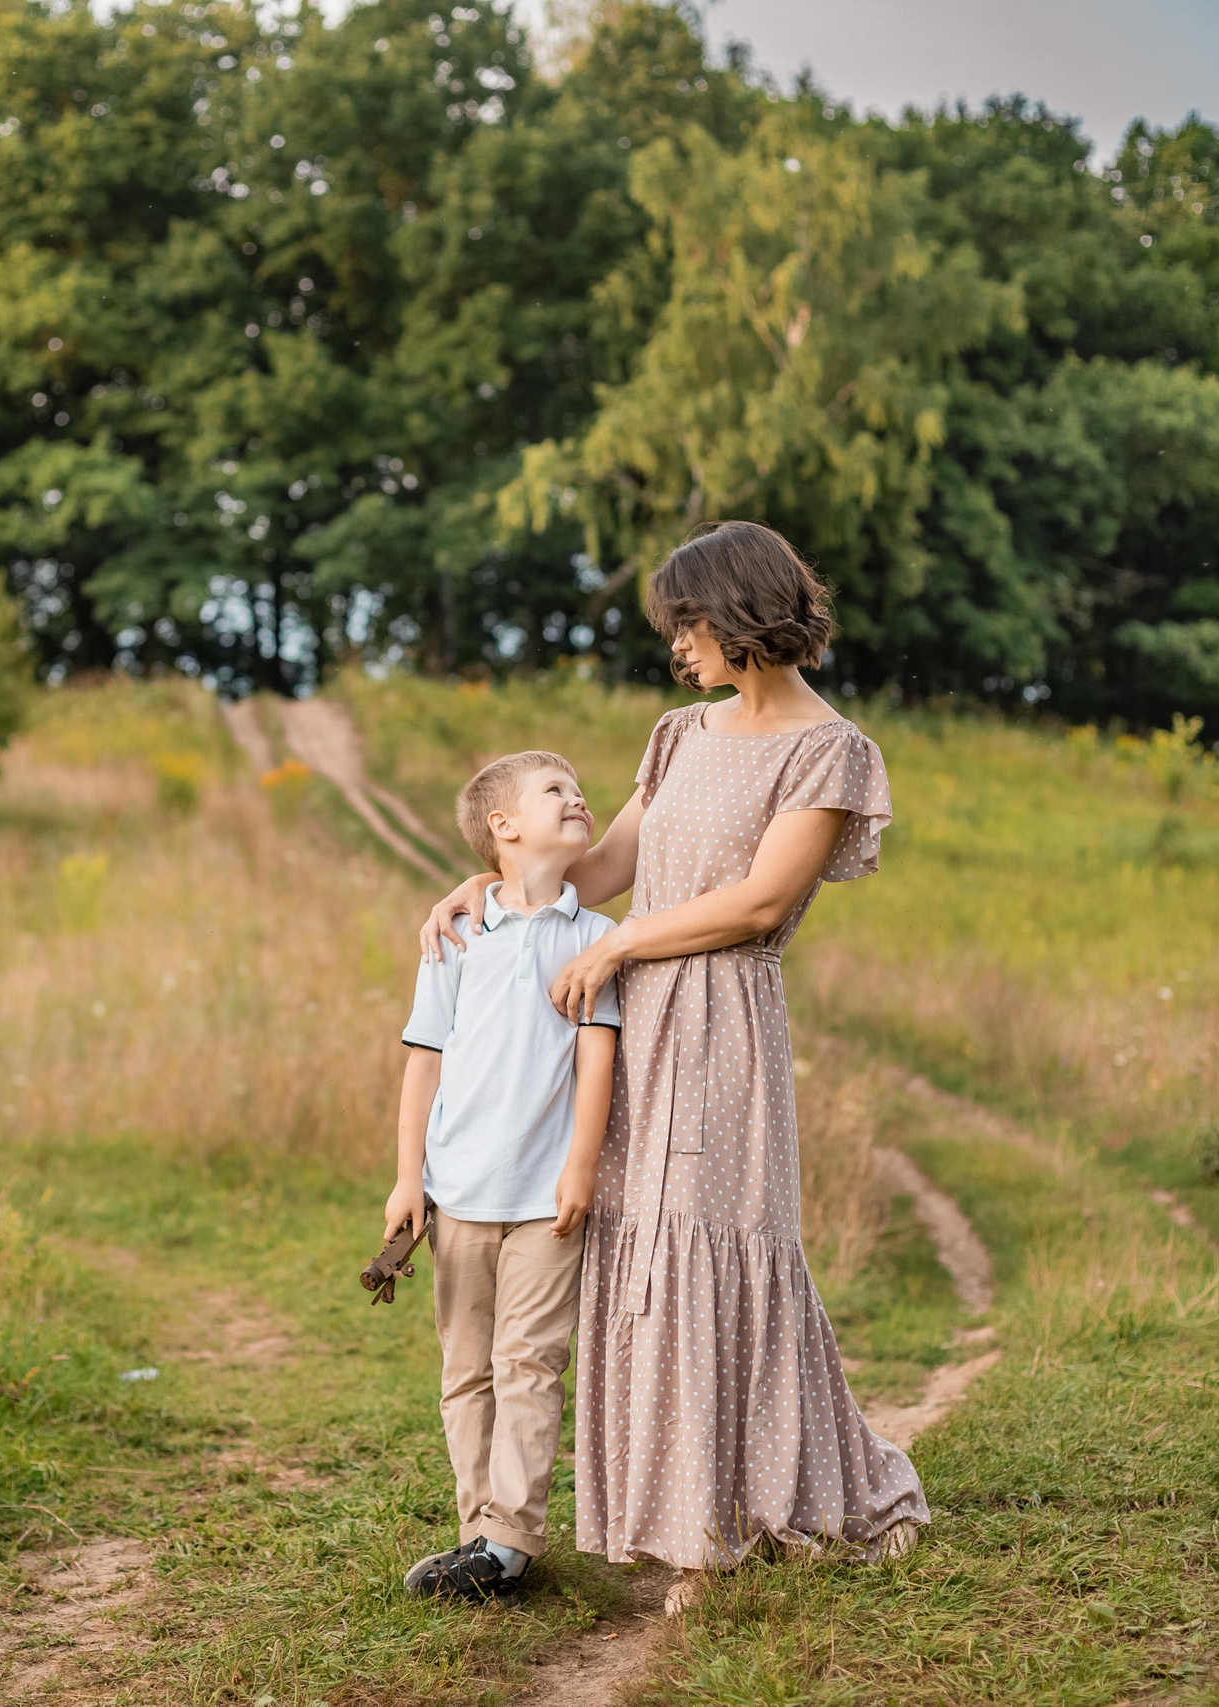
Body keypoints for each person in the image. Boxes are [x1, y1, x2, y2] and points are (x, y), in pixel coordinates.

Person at [419, 520, 926, 1612]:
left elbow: (758, 903)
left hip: (723, 1019)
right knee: (630, 1259)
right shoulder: (677, 734)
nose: (678, 648)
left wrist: (614, 945)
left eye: (688, 624)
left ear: (742, 612)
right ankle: (666, 1515)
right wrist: (487, 888)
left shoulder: (828, 750)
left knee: (711, 1246)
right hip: (627, 1023)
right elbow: (597, 868)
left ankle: (727, 1524)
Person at [387, 748, 622, 1602]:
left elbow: (596, 1063)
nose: (578, 795)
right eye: (555, 789)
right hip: (460, 1195)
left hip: (543, 1199)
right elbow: (424, 1062)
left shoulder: (597, 939)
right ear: (503, 826)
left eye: (578, 785)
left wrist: (581, 1168)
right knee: (467, 1368)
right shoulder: (456, 934)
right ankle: (477, 1529)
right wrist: (409, 1178)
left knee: (531, 1360)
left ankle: (510, 1540)